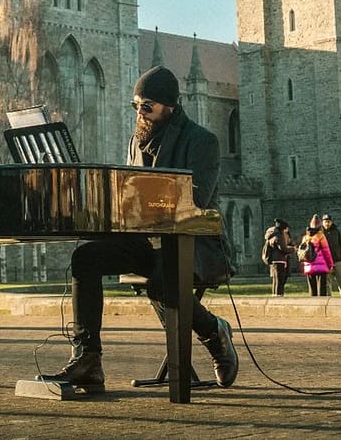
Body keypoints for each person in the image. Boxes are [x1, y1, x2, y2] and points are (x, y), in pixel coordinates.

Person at [36, 66, 238, 392]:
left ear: (168, 107)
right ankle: (87, 360)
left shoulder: (202, 141)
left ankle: (214, 333)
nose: (140, 113)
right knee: (85, 258)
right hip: (144, 241)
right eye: (136, 106)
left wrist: (137, 195)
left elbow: (195, 199)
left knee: (162, 281)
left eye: (147, 106)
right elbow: (127, 195)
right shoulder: (136, 143)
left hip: (194, 244)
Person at [300, 215, 334, 296]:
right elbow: (326, 252)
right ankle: (321, 305)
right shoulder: (320, 236)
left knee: (312, 288)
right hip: (321, 266)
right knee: (321, 288)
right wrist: (330, 264)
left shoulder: (305, 237)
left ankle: (313, 304)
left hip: (309, 266)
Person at [264, 219, 295, 296]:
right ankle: (278, 296)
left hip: (275, 260)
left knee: (276, 280)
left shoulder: (272, 235)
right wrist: (293, 249)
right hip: (279, 260)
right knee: (279, 281)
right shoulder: (278, 236)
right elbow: (283, 248)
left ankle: (275, 295)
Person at [321, 214, 341, 297]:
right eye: (325, 222)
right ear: (322, 222)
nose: (327, 223)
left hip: (338, 259)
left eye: (328, 221)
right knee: (327, 281)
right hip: (326, 261)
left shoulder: (336, 231)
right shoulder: (320, 233)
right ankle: (328, 297)